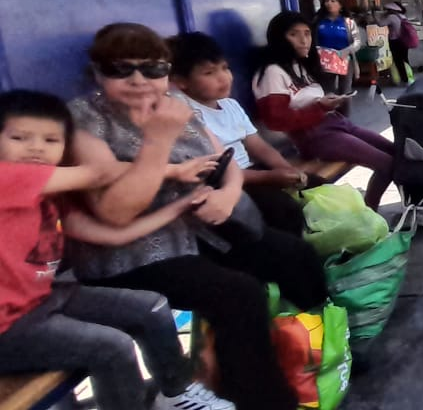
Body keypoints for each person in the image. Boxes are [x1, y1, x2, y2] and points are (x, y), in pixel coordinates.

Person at [68, 23, 327, 410]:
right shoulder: (84, 119)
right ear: (98, 72)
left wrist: (227, 194)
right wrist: (158, 140)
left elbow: (225, 161)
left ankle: (314, 353)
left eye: (152, 69)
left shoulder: (175, 107)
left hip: (197, 231)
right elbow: (115, 212)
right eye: (121, 70)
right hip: (131, 252)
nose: (140, 81)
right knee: (237, 295)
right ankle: (265, 400)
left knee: (295, 255)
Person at [0, 90, 234, 410]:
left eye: (50, 140)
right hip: (7, 329)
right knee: (112, 347)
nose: (36, 148)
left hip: (38, 300)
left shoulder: (51, 194)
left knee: (151, 307)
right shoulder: (6, 177)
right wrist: (162, 152)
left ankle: (176, 395)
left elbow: (112, 236)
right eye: (20, 137)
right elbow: (99, 171)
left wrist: (178, 207)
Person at [168, 32, 320, 235]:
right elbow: (216, 172)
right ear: (181, 81)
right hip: (227, 183)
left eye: (225, 68)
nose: (224, 78)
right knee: (284, 210)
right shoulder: (187, 114)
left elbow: (259, 146)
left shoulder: (230, 105)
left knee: (318, 185)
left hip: (255, 171)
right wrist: (271, 177)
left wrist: (287, 170)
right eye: (209, 73)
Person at [253, 11, 401, 213]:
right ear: (279, 37)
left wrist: (328, 102)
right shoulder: (272, 72)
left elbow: (306, 100)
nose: (303, 40)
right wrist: (320, 107)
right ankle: (369, 212)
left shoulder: (299, 65)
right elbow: (276, 120)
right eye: (294, 34)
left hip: (336, 124)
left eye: (307, 33)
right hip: (315, 136)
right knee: (387, 163)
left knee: (397, 152)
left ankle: (412, 206)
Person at [314, 0, 362, 97]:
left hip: (344, 60)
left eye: (333, 1)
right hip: (325, 61)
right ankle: (330, 113)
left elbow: (357, 42)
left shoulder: (348, 22)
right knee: (327, 91)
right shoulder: (318, 22)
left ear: (340, 5)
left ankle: (344, 113)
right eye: (327, 1)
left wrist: (345, 51)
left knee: (345, 92)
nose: (329, 3)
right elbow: (313, 41)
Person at [380, 1, 414, 85]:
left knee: (398, 61)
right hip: (404, 41)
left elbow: (381, 24)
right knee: (405, 60)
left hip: (395, 41)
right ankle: (410, 78)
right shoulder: (402, 16)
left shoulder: (391, 17)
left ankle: (404, 79)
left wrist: (376, 16)